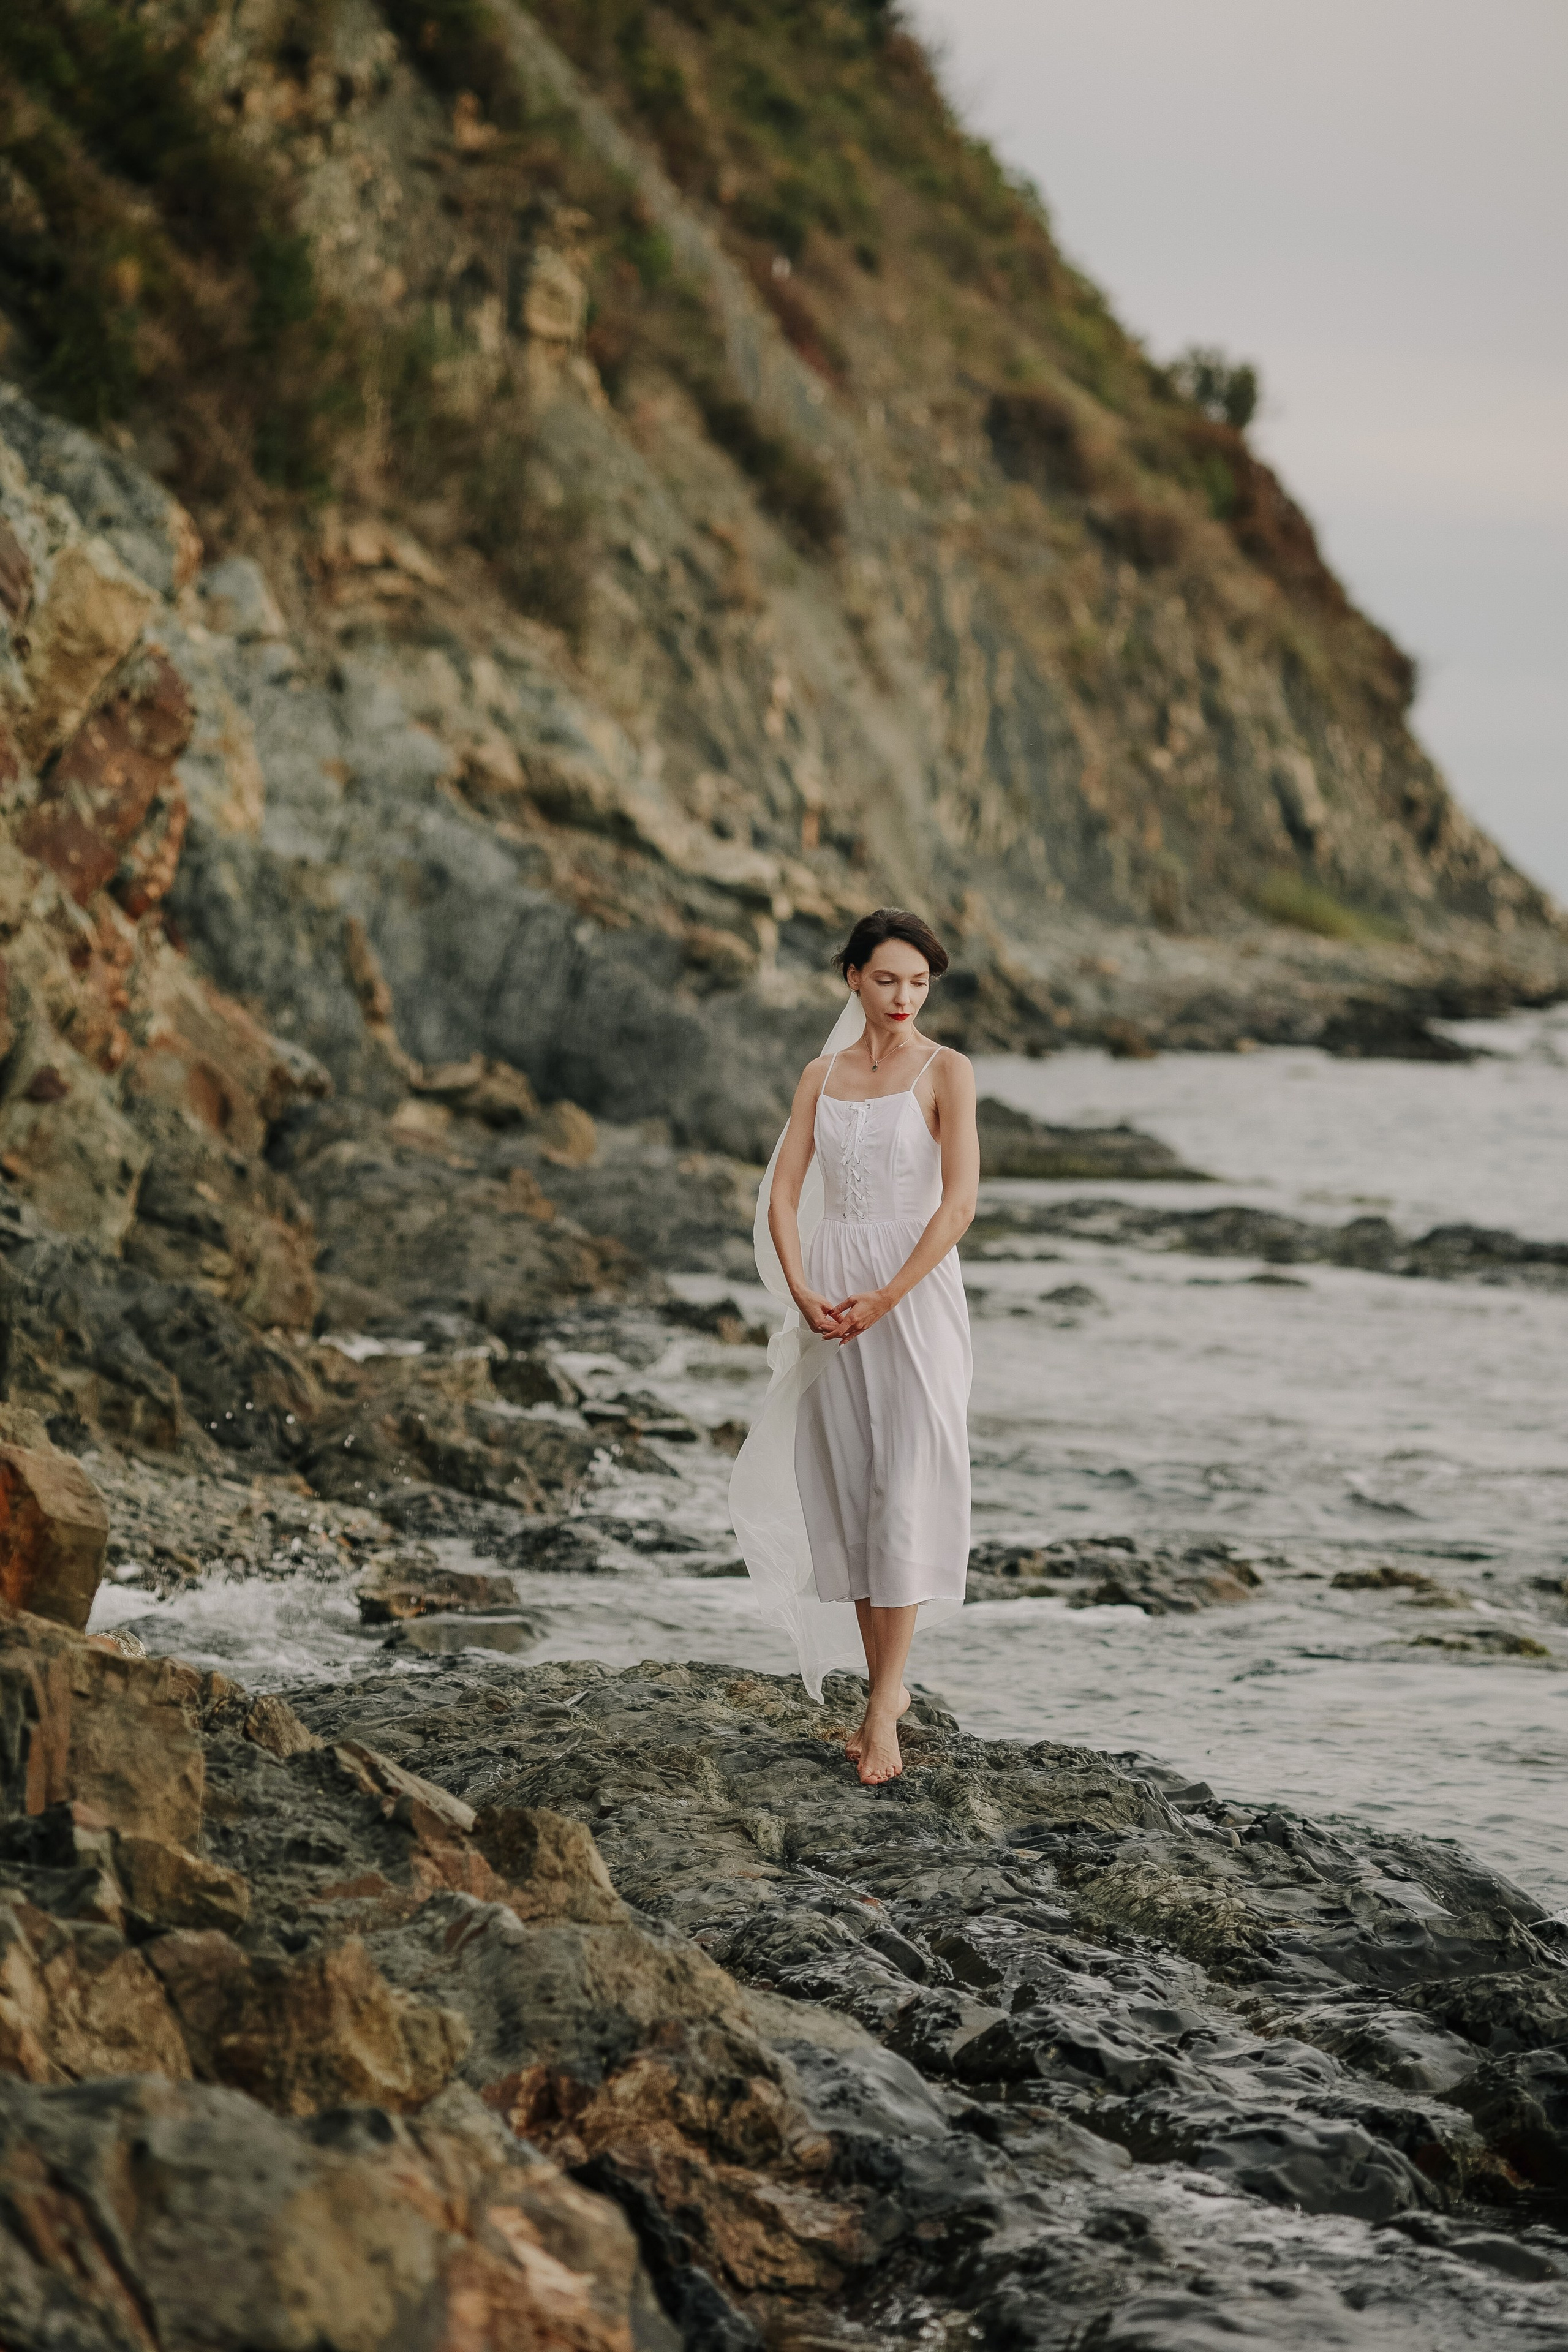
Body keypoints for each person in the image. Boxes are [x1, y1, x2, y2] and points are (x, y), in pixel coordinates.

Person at [730, 908, 978, 1786]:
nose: (904, 997)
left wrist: (889, 1295)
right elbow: (786, 1193)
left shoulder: (948, 1070)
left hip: (913, 1296)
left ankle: (882, 1711)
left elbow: (958, 1206)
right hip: (832, 1294)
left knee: (907, 1482)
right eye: (887, 979)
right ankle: (886, 1689)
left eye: (918, 982)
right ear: (853, 979)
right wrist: (802, 1291)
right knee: (860, 1490)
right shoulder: (820, 1075)